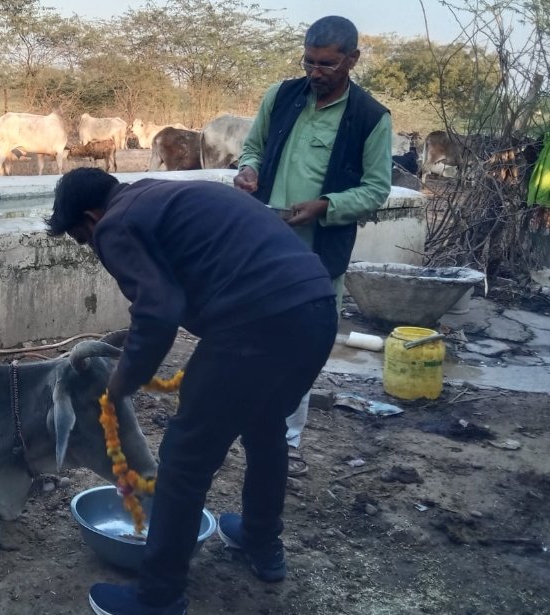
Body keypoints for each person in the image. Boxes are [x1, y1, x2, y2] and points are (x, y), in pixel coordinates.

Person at [46, 168, 338, 615]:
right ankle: (261, 542)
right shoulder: (157, 197)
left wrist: (119, 384)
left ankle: (158, 598)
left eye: (84, 239)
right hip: (316, 311)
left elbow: (159, 310)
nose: (94, 247)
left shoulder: (115, 223)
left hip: (255, 324)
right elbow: (172, 294)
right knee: (265, 427)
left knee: (185, 458)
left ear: (91, 217)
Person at [234, 16, 392, 479]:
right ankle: (243, 425)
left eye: (327, 64)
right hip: (262, 245)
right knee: (249, 335)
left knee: (301, 348)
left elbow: (376, 189)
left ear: (352, 60)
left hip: (317, 256)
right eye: (309, 62)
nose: (315, 73)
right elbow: (253, 148)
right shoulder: (281, 96)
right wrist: (248, 170)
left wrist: (325, 206)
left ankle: (286, 442)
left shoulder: (371, 118)